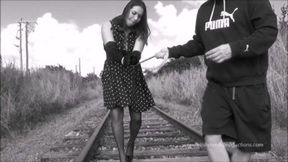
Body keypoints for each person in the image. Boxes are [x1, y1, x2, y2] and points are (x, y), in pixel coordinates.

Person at [155, 0, 278, 161]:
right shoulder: (204, 10)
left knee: (248, 145)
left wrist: (234, 49)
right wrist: (171, 51)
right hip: (217, 86)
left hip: (250, 85)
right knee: (211, 137)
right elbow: (199, 43)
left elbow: (268, 32)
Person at [101, 0, 155, 161]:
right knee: (117, 115)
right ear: (127, 10)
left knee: (137, 117)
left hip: (132, 73)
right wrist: (122, 59)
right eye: (134, 13)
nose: (136, 18)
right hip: (113, 73)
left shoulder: (141, 32)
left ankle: (131, 143)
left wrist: (131, 59)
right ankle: (122, 156)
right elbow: (110, 49)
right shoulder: (107, 25)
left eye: (140, 16)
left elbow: (136, 54)